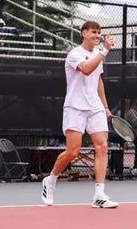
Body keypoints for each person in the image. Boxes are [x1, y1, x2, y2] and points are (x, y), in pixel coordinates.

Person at [41, 21, 118, 208]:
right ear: (84, 33)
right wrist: (105, 51)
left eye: (99, 33)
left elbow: (98, 81)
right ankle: (50, 179)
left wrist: (105, 107)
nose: (97, 35)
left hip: (95, 107)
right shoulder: (75, 54)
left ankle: (99, 195)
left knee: (102, 147)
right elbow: (86, 69)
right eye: (93, 32)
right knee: (73, 152)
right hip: (75, 107)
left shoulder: (98, 55)